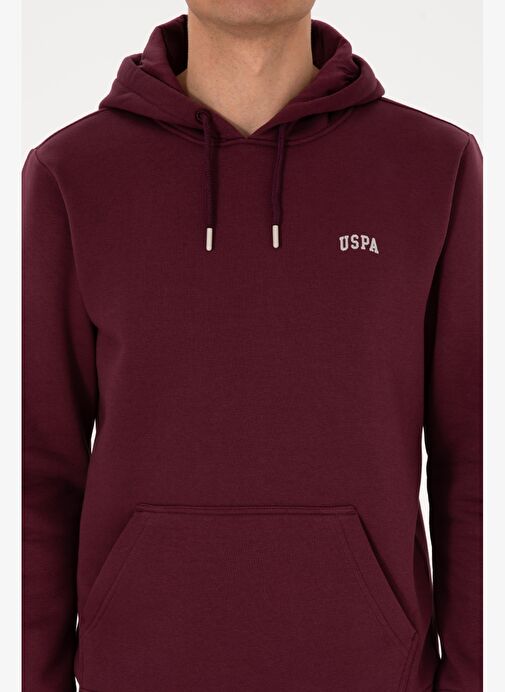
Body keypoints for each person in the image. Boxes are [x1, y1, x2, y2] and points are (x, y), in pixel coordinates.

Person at [22, 2, 482, 691]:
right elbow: (36, 467)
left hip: (371, 672)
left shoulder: (434, 165)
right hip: (140, 668)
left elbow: (475, 458)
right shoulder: (72, 172)